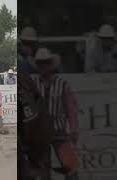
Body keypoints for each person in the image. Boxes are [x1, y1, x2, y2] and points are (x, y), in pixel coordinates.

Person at [32, 48, 79, 180]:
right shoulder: (33, 84)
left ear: (50, 65)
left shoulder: (62, 84)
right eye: (40, 63)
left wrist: (73, 128)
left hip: (60, 131)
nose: (43, 66)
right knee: (43, 172)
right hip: (41, 134)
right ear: (37, 65)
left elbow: (71, 108)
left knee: (71, 167)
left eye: (45, 63)